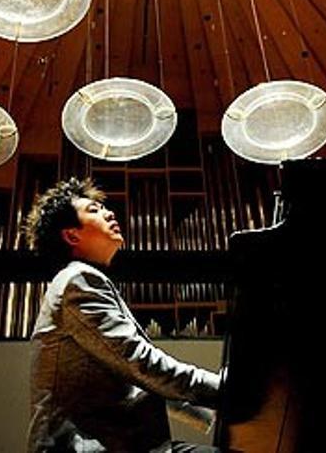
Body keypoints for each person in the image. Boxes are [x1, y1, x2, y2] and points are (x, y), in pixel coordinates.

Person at [24, 178, 221, 452]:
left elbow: (136, 378)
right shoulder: (77, 280)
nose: (109, 212)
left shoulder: (82, 281)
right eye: (93, 210)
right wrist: (222, 388)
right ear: (72, 235)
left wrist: (210, 412)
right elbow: (139, 362)